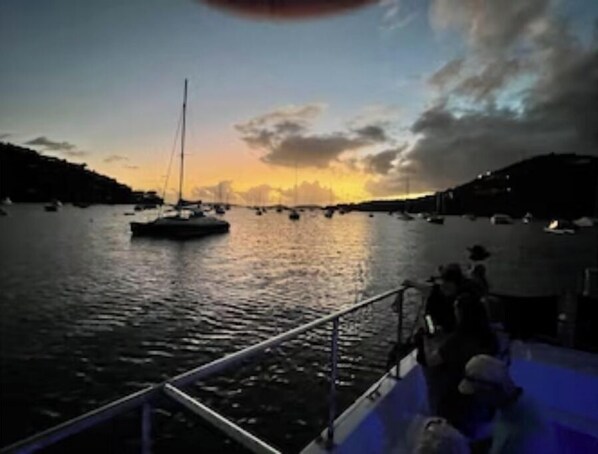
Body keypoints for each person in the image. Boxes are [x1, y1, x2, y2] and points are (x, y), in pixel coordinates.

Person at [459, 355, 557, 454]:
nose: (477, 399)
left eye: (477, 394)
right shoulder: (512, 404)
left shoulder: (518, 436)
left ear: (491, 391)